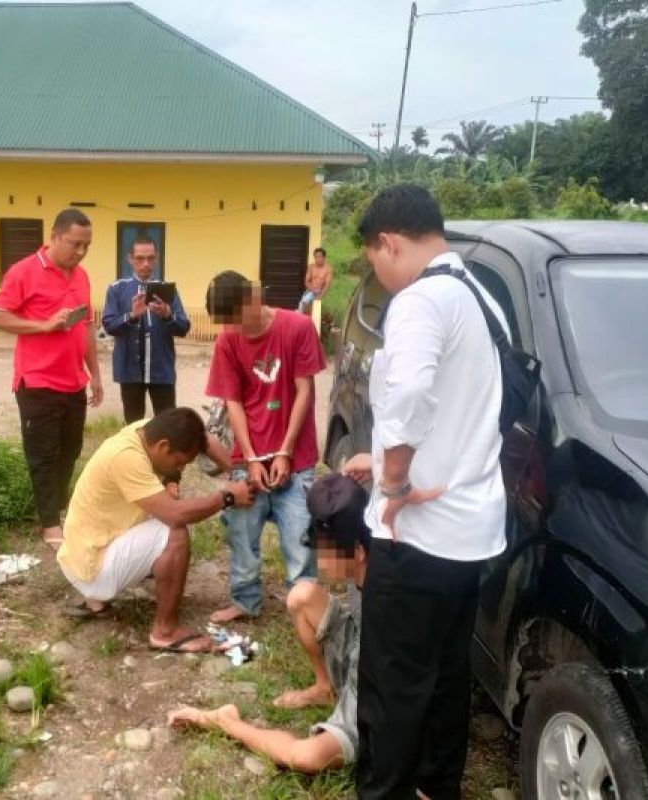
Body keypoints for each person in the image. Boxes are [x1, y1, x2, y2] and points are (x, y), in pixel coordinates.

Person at [349, 184, 509, 800]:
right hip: (469, 531)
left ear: (388, 242)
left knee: (392, 684)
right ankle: (436, 787)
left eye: (374, 262)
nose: (380, 277)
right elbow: (469, 405)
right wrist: (387, 454)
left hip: (416, 535)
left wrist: (393, 479)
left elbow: (412, 396)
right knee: (445, 673)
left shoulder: (420, 301)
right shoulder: (479, 296)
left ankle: (384, 791)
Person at [168, 472, 369, 773]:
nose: (321, 561)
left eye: (327, 552)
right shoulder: (369, 543)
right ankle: (324, 686)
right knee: (302, 595)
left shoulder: (389, 597)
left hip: (372, 684)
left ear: (358, 551)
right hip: (356, 645)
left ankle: (227, 722)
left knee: (306, 757)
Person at [57, 408, 253, 651]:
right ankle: (165, 632)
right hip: (91, 568)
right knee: (175, 531)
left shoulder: (146, 430)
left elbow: (206, 440)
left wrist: (239, 473)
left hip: (82, 551)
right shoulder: (126, 457)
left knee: (161, 511)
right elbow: (175, 513)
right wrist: (227, 497)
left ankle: (96, 601)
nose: (180, 468)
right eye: (180, 462)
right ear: (162, 446)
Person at [203, 270, 325, 623]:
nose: (233, 329)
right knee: (242, 533)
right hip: (248, 456)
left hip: (296, 457)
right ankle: (245, 601)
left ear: (252, 300)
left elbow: (305, 390)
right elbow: (234, 402)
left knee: (299, 537)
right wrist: (253, 458)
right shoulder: (227, 341)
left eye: (236, 319)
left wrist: (285, 451)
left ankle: (304, 607)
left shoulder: (297, 327)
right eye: (227, 323)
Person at [0, 208, 104, 549]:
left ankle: (59, 508)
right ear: (54, 237)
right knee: (44, 454)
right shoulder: (24, 271)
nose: (80, 252)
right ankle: (49, 524)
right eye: (74, 244)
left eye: (87, 245)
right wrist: (43, 325)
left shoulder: (81, 276)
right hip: (37, 380)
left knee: (71, 450)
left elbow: (85, 328)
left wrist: (94, 375)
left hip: (73, 381)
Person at [102, 234, 191, 422]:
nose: (145, 264)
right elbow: (109, 325)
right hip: (129, 370)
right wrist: (132, 316)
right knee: (133, 425)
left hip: (161, 369)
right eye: (140, 259)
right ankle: (137, 452)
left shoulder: (168, 289)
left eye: (150, 258)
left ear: (156, 258)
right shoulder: (117, 289)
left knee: (167, 423)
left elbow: (183, 327)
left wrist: (167, 315)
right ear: (130, 259)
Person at [297, 247, 333, 314]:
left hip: (320, 291)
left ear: (324, 257)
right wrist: (311, 289)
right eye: (316, 257)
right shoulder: (311, 267)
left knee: (308, 304)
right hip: (311, 290)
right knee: (304, 302)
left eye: (319, 257)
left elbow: (327, 285)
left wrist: (320, 296)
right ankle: (299, 317)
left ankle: (301, 315)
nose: (317, 259)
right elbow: (306, 281)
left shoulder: (328, 269)